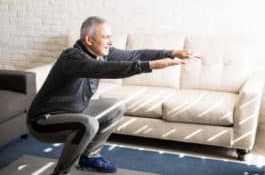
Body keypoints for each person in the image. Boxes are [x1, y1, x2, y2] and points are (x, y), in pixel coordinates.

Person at [27, 16, 201, 175]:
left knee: (116, 107)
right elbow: (102, 69)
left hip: (74, 112)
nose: (111, 42)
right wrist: (149, 65)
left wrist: (172, 52)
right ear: (89, 39)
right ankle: (60, 173)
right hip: (43, 122)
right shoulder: (72, 58)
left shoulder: (101, 53)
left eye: (111, 36)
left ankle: (89, 157)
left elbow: (136, 54)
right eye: (106, 37)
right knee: (88, 125)